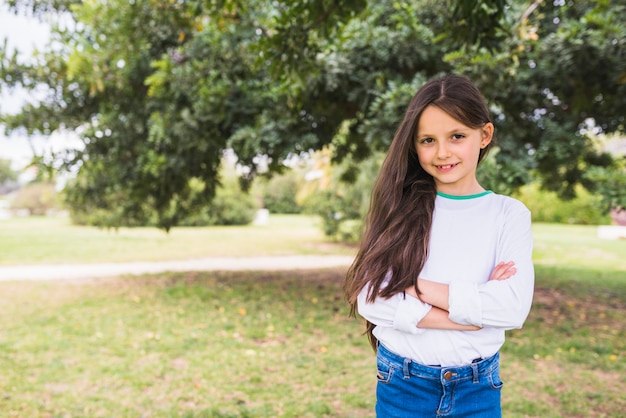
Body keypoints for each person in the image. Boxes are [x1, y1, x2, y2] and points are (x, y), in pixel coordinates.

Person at [344, 74, 534, 417]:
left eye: (457, 136)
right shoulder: (399, 208)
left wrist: (415, 287)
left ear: (484, 135)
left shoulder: (508, 214)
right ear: (414, 146)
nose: (442, 152)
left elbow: (510, 309)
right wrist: (468, 315)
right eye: (428, 140)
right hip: (403, 384)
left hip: (477, 388)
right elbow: (371, 297)